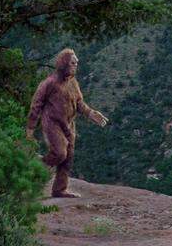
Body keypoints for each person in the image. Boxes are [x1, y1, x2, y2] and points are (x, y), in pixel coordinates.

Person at [25, 48, 109, 197]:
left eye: (76, 63)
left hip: (69, 124)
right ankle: (36, 168)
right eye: (73, 62)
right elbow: (36, 105)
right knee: (59, 153)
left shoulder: (73, 83)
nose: (76, 65)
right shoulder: (49, 83)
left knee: (68, 158)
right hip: (52, 124)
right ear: (64, 63)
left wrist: (91, 113)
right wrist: (30, 129)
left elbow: (79, 103)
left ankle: (59, 190)